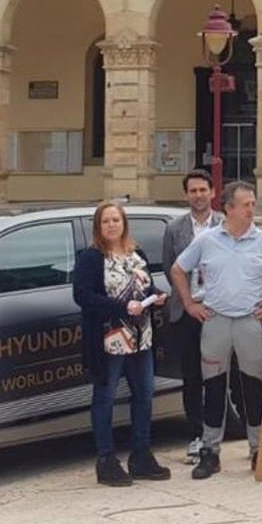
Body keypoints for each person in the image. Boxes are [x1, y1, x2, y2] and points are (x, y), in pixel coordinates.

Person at [170, 181, 262, 480]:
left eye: (253, 204)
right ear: (229, 208)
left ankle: (261, 449)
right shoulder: (207, 241)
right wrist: (190, 304)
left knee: (254, 388)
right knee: (214, 387)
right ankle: (210, 451)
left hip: (249, 321)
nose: (251, 210)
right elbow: (178, 269)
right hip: (215, 321)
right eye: (246, 205)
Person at [73, 201, 170, 486]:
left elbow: (144, 286)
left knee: (145, 395)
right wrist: (122, 307)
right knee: (105, 398)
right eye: (106, 221)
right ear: (98, 226)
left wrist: (156, 295)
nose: (112, 225)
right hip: (109, 339)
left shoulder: (135, 253)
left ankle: (141, 455)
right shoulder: (91, 258)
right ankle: (106, 460)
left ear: (124, 223)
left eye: (116, 220)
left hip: (141, 338)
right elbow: (83, 296)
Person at [162, 169, 224, 465]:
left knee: (218, 374)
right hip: (187, 311)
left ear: (213, 192)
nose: (198, 195)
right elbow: (169, 268)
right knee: (191, 375)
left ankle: (216, 434)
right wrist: (188, 301)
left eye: (203, 190)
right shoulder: (174, 228)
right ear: (185, 195)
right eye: (193, 191)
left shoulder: (226, 224)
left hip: (218, 310)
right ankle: (196, 435)